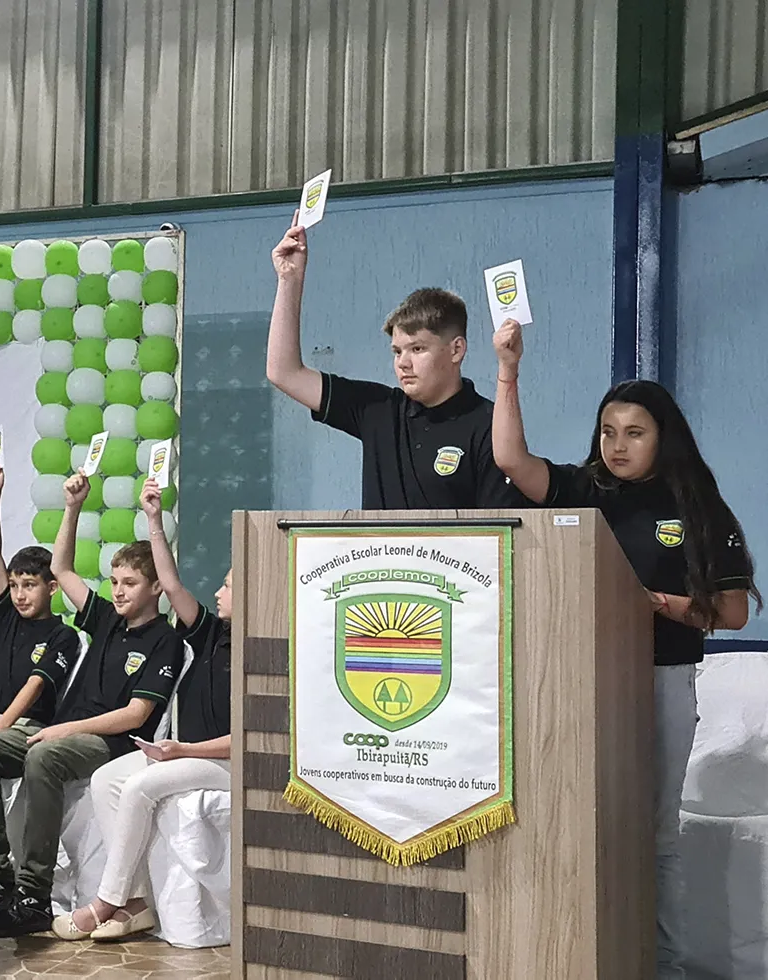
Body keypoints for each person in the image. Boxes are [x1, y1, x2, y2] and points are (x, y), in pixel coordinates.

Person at [491, 317, 759, 979]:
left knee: (656, 833)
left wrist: (652, 603)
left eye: (633, 433)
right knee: (578, 823)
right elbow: (512, 462)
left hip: (663, 677)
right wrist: (508, 371)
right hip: (580, 679)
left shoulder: (699, 507)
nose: (617, 445)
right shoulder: (586, 490)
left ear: (662, 436)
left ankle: (663, 967)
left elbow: (730, 612)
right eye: (608, 431)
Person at [0, 471, 184, 938]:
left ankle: (33, 893)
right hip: (63, 732)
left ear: (155, 588)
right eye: (114, 581)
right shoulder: (106, 619)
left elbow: (136, 715)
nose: (118, 591)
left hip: (112, 744)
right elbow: (62, 569)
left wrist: (64, 729)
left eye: (129, 582)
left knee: (44, 756)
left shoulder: (164, 640)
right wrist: (72, 506)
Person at [53, 477, 232, 942]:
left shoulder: (265, 653)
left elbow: (251, 738)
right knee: (106, 779)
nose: (218, 591)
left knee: (138, 787)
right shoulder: (210, 634)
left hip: (224, 759)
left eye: (228, 585)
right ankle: (134, 901)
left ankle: (105, 902)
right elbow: (170, 582)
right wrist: (153, 516)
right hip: (185, 750)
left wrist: (185, 749)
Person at [265, 213, 520, 509]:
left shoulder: (490, 424)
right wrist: (290, 279)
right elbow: (284, 373)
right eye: (397, 352)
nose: (403, 363)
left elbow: (500, 529)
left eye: (417, 349)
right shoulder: (379, 409)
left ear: (456, 350)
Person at [0, 463, 83, 919]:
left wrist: (0, 727)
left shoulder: (63, 635)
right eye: (14, 586)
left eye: (30, 585)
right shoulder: (6, 617)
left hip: (23, 728)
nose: (20, 594)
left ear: (53, 587)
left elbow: (35, 685)